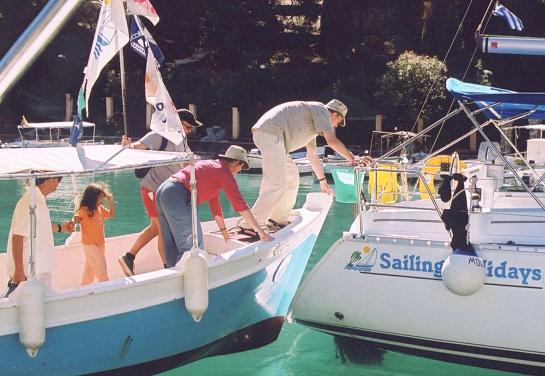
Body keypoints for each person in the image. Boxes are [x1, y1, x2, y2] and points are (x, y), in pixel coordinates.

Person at [242, 99, 370, 230]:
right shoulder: (322, 110)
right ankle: (252, 224)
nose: (336, 126)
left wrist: (323, 183)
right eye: (338, 122)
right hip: (270, 134)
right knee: (276, 183)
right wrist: (352, 159)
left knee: (292, 176)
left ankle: (278, 218)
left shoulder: (312, 125)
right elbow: (331, 141)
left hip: (273, 137)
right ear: (333, 115)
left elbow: (312, 156)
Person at [156, 145, 272, 267]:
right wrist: (260, 231)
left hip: (165, 189)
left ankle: (171, 273)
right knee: (193, 245)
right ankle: (191, 282)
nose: (239, 172)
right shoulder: (224, 172)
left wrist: (224, 231)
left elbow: (215, 206)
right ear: (237, 162)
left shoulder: (213, 167)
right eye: (241, 168)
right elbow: (240, 204)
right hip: (177, 194)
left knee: (170, 242)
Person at [118, 108, 201, 276]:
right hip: (152, 188)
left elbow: (185, 165)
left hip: (169, 191)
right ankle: (167, 268)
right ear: (178, 124)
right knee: (161, 228)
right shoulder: (158, 136)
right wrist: (127, 145)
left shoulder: (183, 141)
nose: (190, 131)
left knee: (157, 228)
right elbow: (136, 148)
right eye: (188, 127)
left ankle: (129, 256)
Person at [5, 175, 75, 297]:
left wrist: (61, 227)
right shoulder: (29, 202)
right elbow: (17, 237)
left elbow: (39, 228)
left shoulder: (38, 200)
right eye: (58, 180)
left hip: (38, 272)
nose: (58, 184)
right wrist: (19, 271)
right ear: (49, 180)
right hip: (27, 275)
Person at [74, 183, 115, 285]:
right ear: (92, 198)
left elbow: (112, 215)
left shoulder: (100, 208)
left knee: (89, 273)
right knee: (102, 272)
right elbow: (76, 218)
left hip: (100, 244)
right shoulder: (83, 210)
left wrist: (110, 201)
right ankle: (105, 289)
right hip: (90, 245)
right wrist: (75, 220)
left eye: (102, 198)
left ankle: (83, 290)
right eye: (100, 198)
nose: (101, 201)